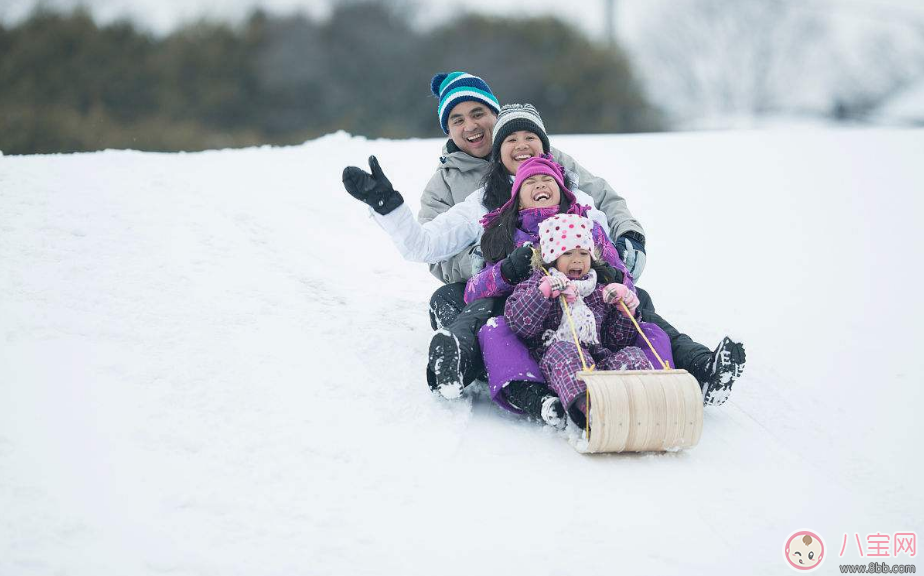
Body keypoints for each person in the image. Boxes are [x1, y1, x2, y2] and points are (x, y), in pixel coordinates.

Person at [342, 72, 645, 401]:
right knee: (467, 307)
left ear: (495, 117)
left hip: (569, 284)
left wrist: (624, 247)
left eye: (477, 114)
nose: (470, 126)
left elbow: (602, 203)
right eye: (457, 119)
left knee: (638, 305)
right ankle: (462, 361)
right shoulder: (467, 195)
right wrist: (486, 265)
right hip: (498, 284)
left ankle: (689, 368)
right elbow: (427, 247)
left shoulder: (554, 169)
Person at [505, 212, 654, 427]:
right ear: (551, 257)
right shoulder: (536, 284)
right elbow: (519, 323)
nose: (577, 259)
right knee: (565, 352)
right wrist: (542, 294)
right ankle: (588, 408)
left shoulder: (598, 290)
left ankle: (643, 402)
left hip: (598, 360)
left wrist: (624, 312)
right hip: (554, 362)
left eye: (583, 253)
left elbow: (615, 341)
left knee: (632, 355)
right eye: (567, 253)